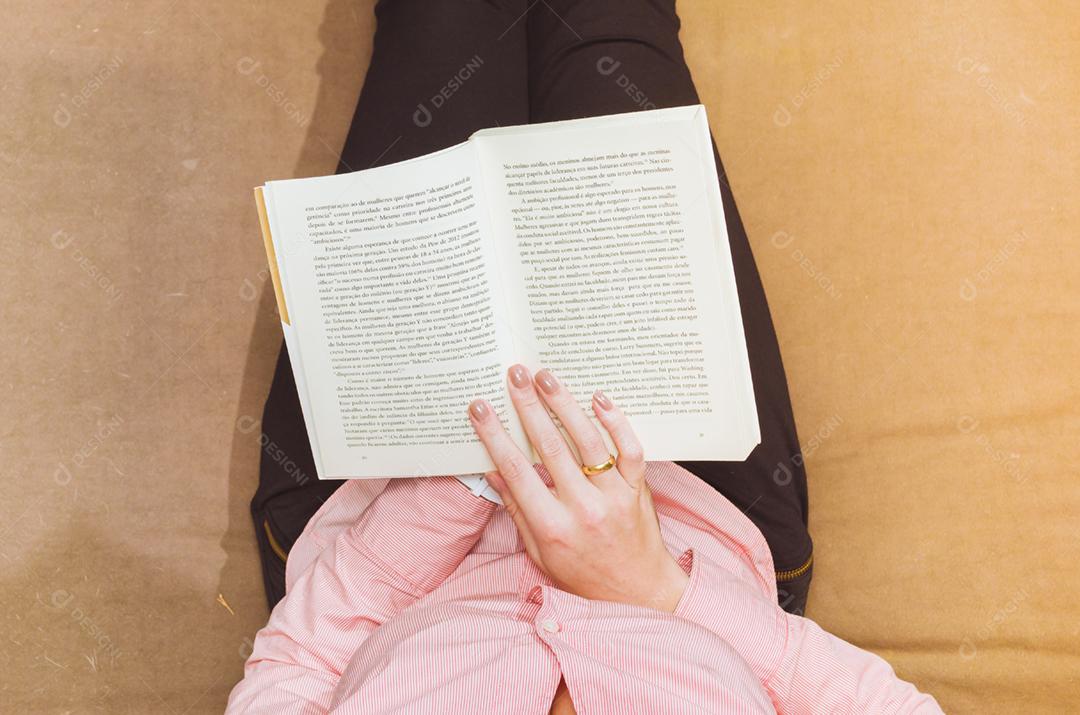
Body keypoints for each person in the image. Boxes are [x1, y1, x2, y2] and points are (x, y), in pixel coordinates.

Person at [231, 1, 944, 712]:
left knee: (444, 23)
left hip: (386, 500)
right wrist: (651, 581)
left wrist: (484, 473)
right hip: (690, 503)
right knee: (613, 31)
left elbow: (294, 665)